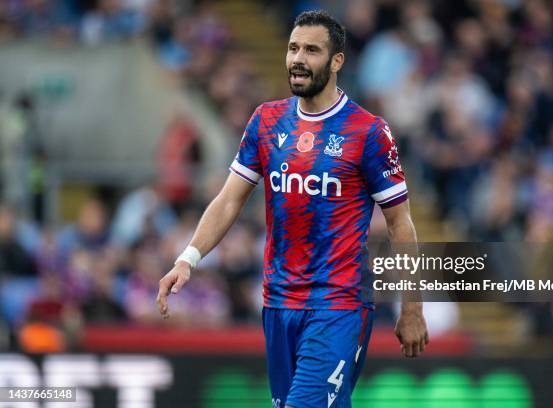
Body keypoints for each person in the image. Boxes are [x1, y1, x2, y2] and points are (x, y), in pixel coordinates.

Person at [157, 10, 428, 408]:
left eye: (312, 50)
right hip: (279, 303)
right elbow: (230, 198)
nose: (298, 58)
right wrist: (188, 258)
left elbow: (400, 224)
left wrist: (412, 308)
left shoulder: (368, 132)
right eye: (293, 48)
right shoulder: (267, 120)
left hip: (339, 304)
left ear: (337, 61)